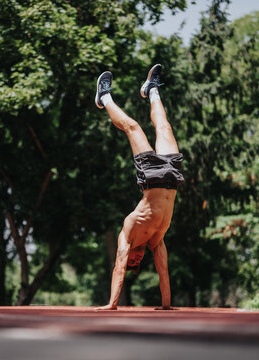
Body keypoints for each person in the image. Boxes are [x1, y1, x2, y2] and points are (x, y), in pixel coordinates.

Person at [94, 64, 184, 311]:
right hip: (172, 177)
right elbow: (163, 271)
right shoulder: (157, 241)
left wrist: (112, 304)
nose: (135, 257)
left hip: (152, 177)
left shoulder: (127, 235)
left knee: (133, 126)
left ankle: (104, 97)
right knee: (164, 126)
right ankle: (152, 89)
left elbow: (118, 266)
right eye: (137, 261)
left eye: (132, 259)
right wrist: (167, 305)